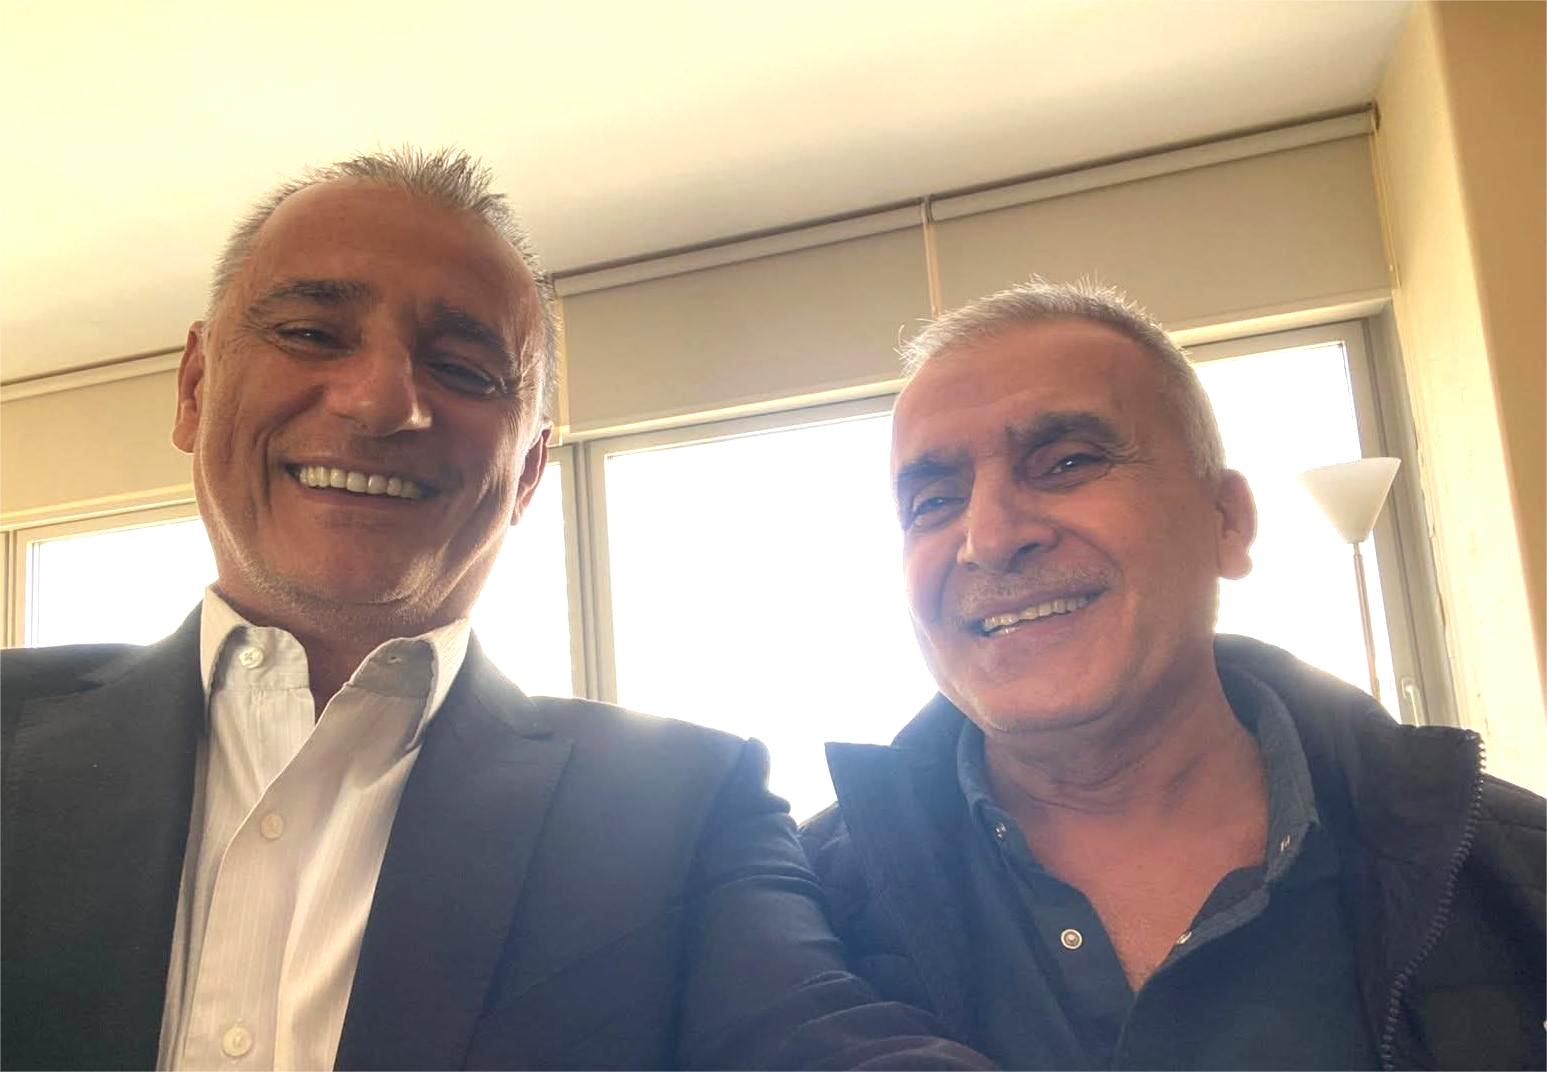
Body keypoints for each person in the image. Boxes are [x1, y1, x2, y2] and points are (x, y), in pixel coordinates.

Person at [0, 149, 988, 1072]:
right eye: (310, 333)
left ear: (527, 473)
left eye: (466, 370)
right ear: (194, 387)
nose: (380, 400)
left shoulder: (684, 806)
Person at [801, 280, 1545, 1070]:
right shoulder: (797, 922)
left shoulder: (1515, 876)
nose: (987, 538)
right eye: (931, 502)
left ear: (1226, 520)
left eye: (1067, 462)